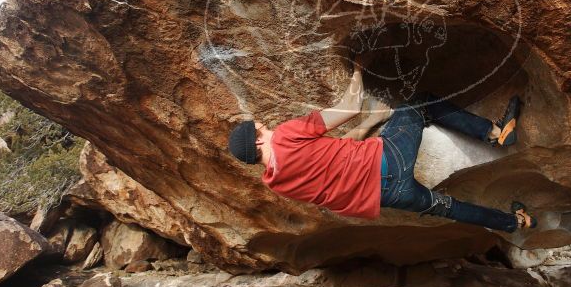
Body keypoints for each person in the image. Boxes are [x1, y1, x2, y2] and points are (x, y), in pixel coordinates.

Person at [227, 61, 536, 233]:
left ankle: (515, 222)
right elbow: (349, 106)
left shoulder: (276, 182)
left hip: (392, 197)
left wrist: (368, 126)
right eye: (258, 127)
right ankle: (495, 133)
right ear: (256, 139)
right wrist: (358, 69)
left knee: (451, 208)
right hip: (389, 161)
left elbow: (336, 152)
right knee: (420, 102)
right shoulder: (284, 135)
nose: (262, 125)